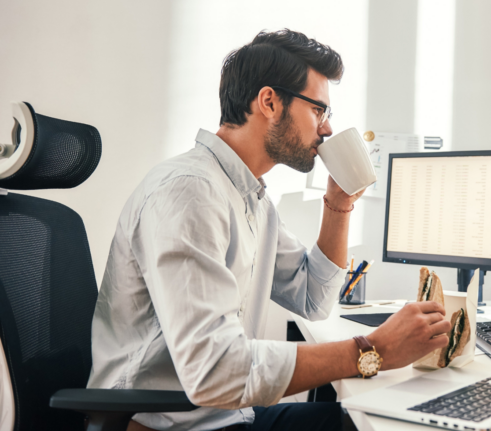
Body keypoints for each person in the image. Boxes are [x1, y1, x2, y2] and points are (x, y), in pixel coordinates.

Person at [87, 29, 451, 431]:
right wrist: (374, 349)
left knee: (372, 420)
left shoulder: (249, 197)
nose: (327, 130)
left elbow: (314, 298)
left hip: (222, 415)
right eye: (319, 110)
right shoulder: (189, 192)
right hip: (170, 426)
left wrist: (340, 205)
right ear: (269, 102)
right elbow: (214, 371)